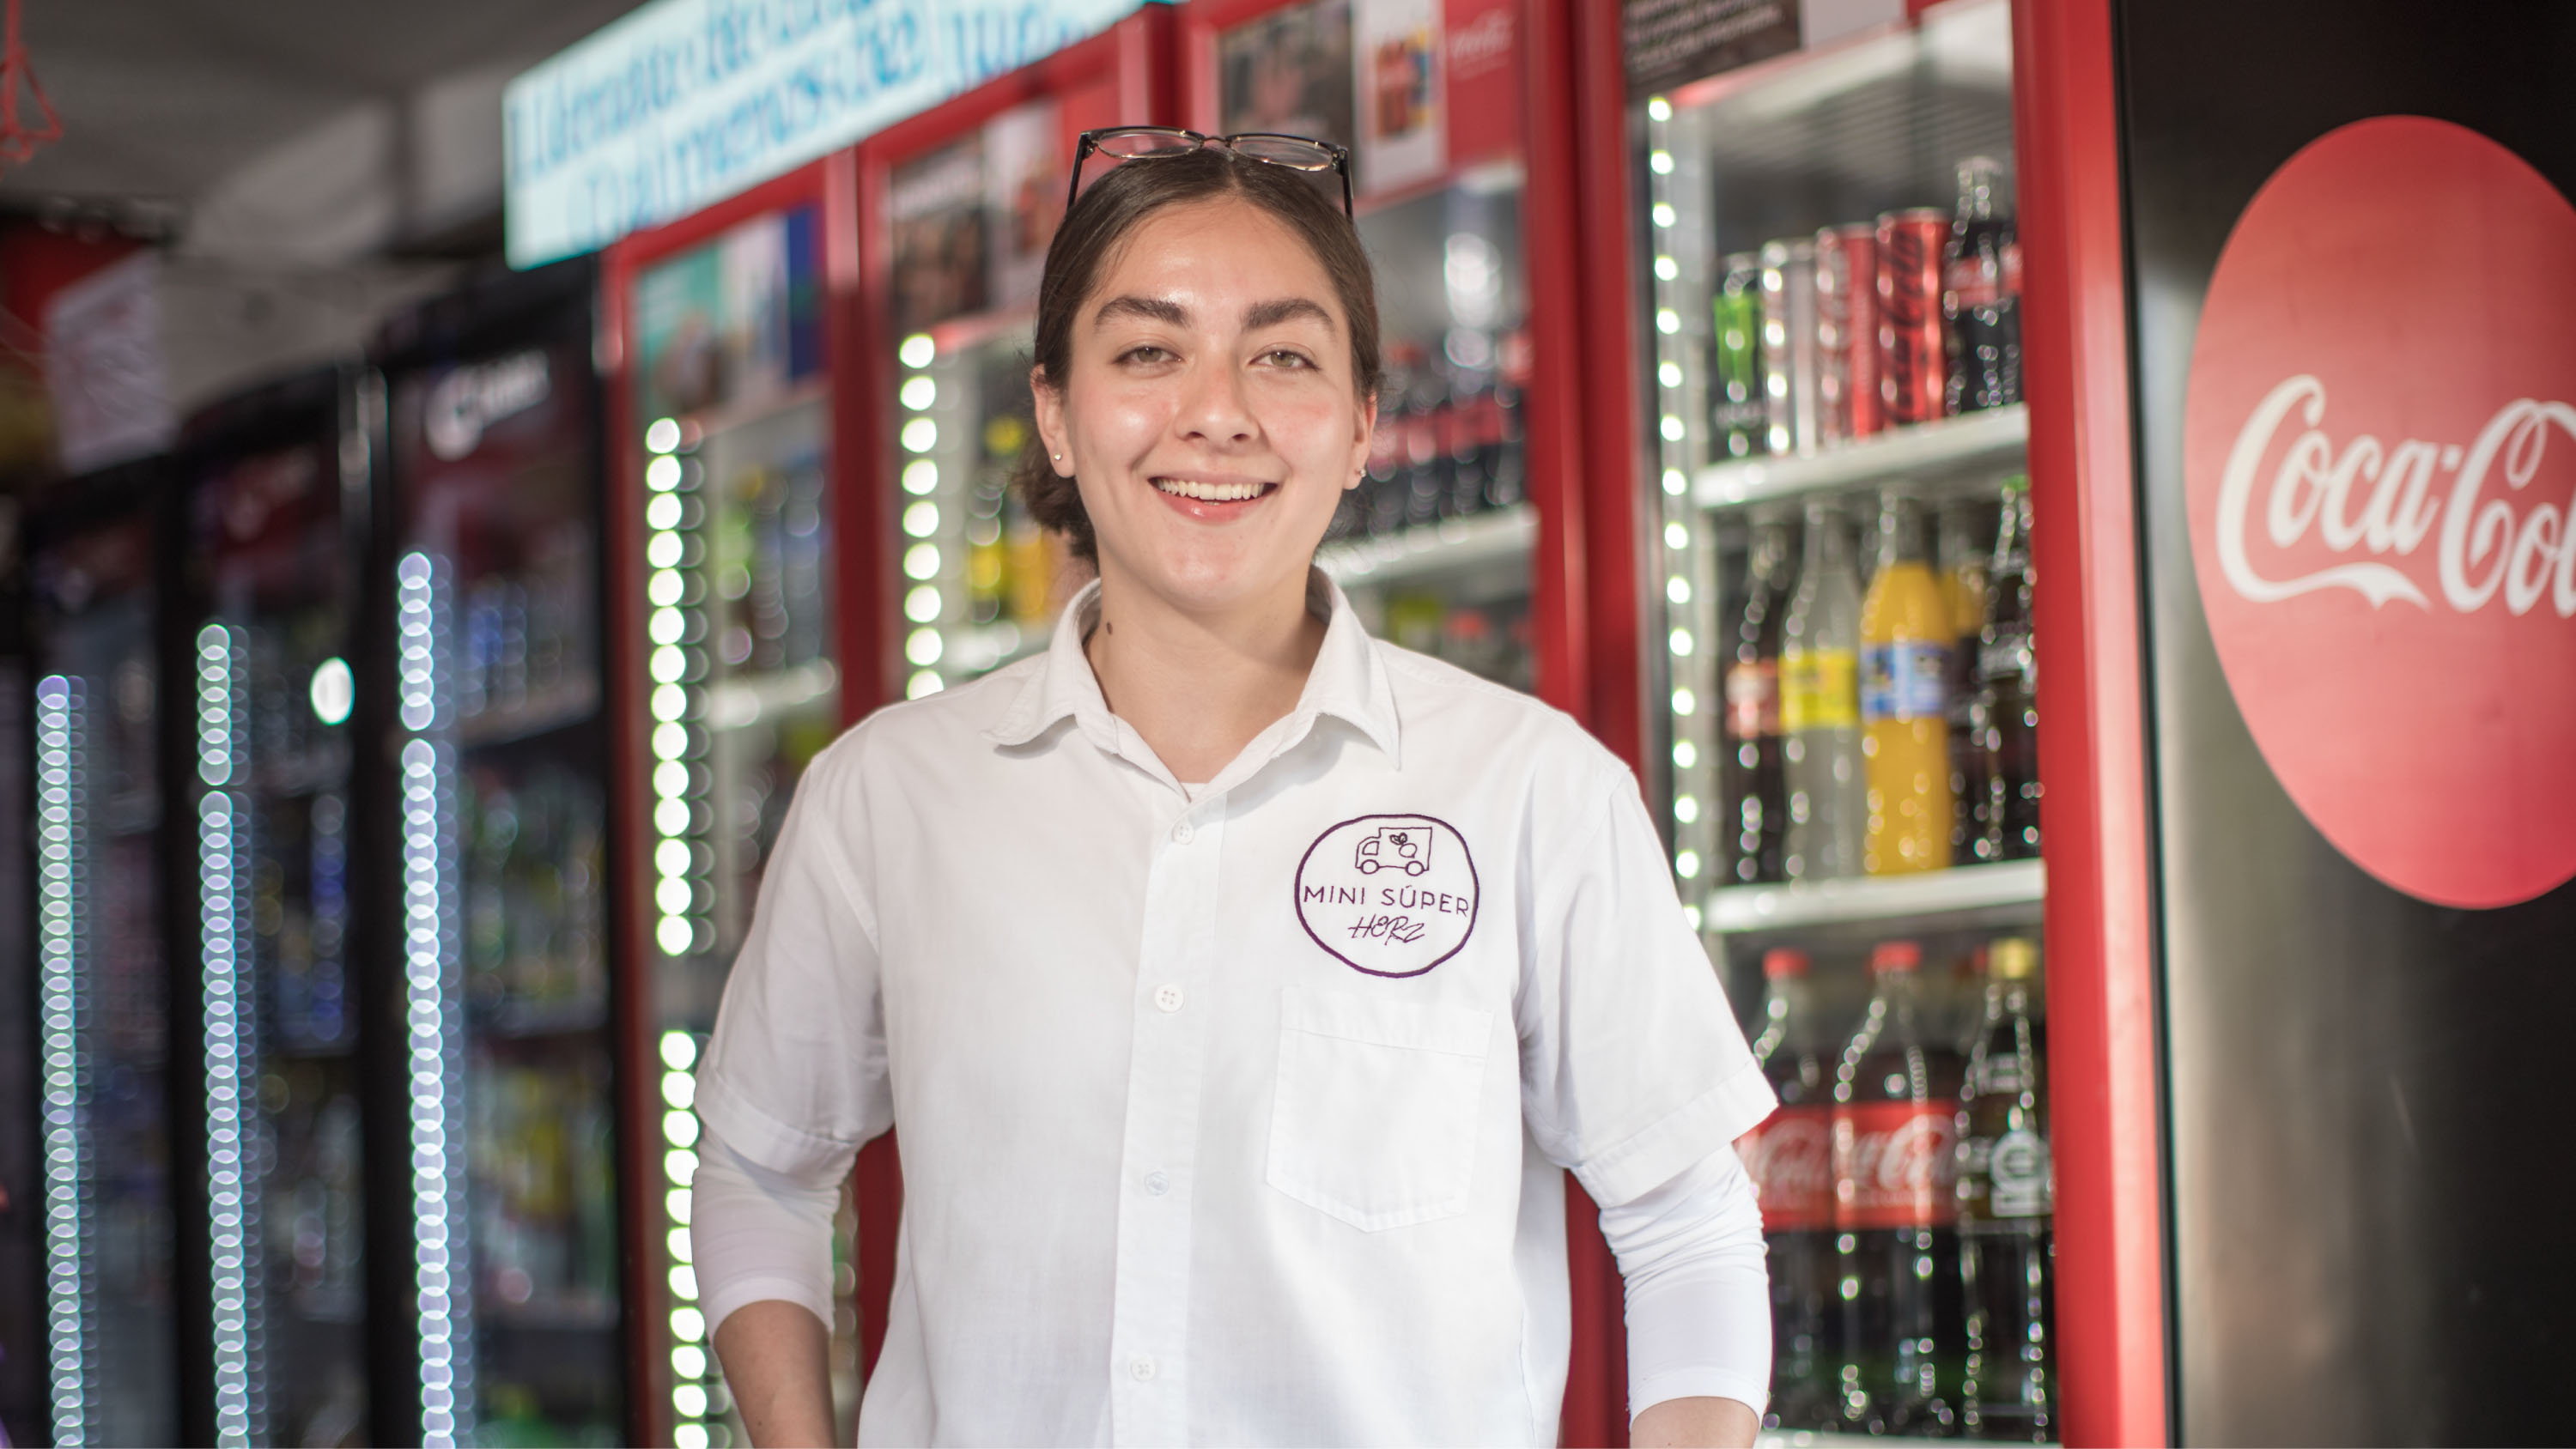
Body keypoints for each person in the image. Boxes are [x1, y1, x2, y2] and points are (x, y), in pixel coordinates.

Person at [692, 130, 1776, 1448]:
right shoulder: (886, 799)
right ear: (1055, 412)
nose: (1218, 411)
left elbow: (1687, 1225)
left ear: (1363, 423)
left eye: (1284, 356)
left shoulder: (1532, 791)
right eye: (1149, 352)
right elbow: (758, 1170)